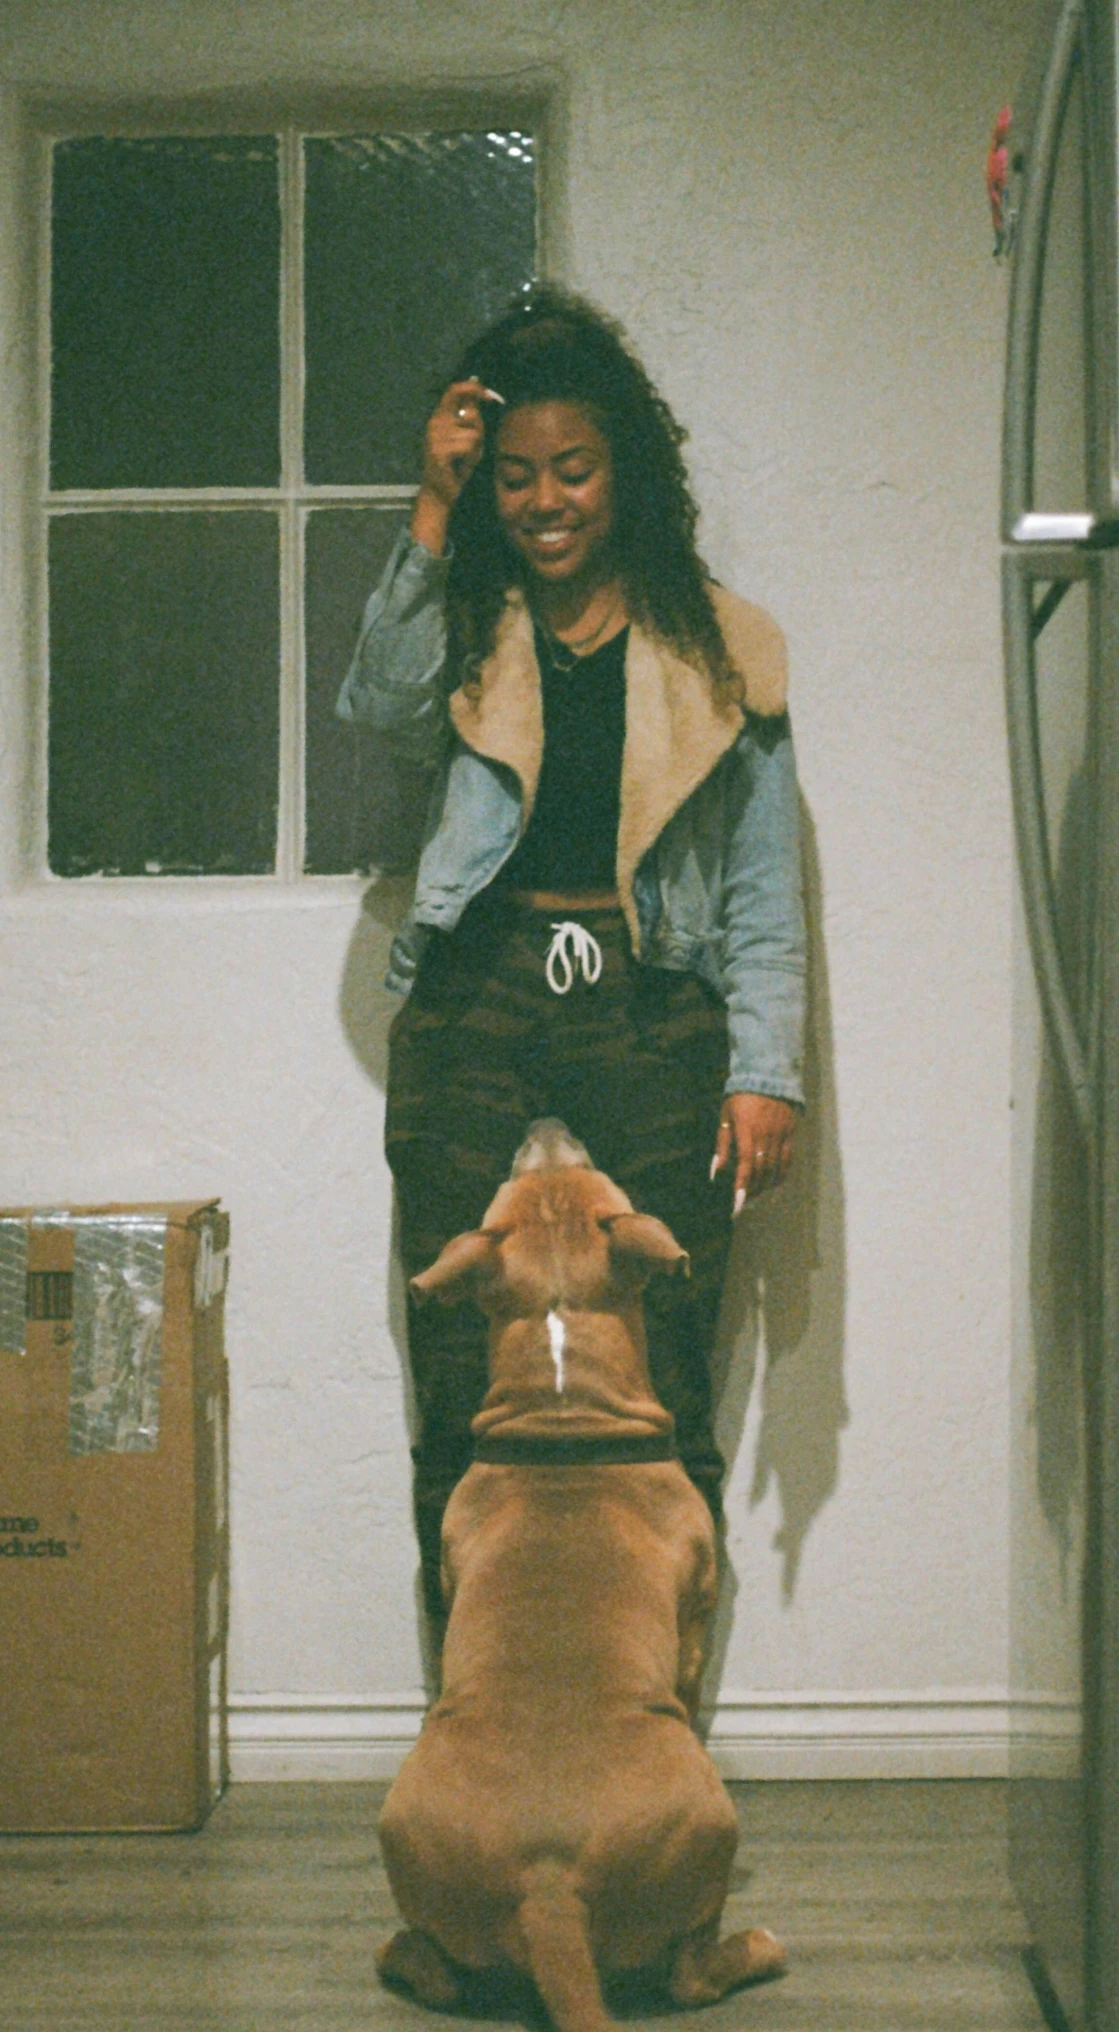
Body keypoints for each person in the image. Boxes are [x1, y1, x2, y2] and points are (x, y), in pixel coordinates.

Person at [337, 286, 806, 1636]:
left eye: (575, 469)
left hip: (653, 998)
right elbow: (377, 707)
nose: (546, 500)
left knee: (668, 1365)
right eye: (518, 474)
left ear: (627, 476)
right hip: (475, 994)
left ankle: (654, 1719)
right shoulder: (471, 622)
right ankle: (471, 1707)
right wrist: (432, 509)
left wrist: (764, 1067)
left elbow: (766, 879)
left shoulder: (724, 645)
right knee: (452, 1367)